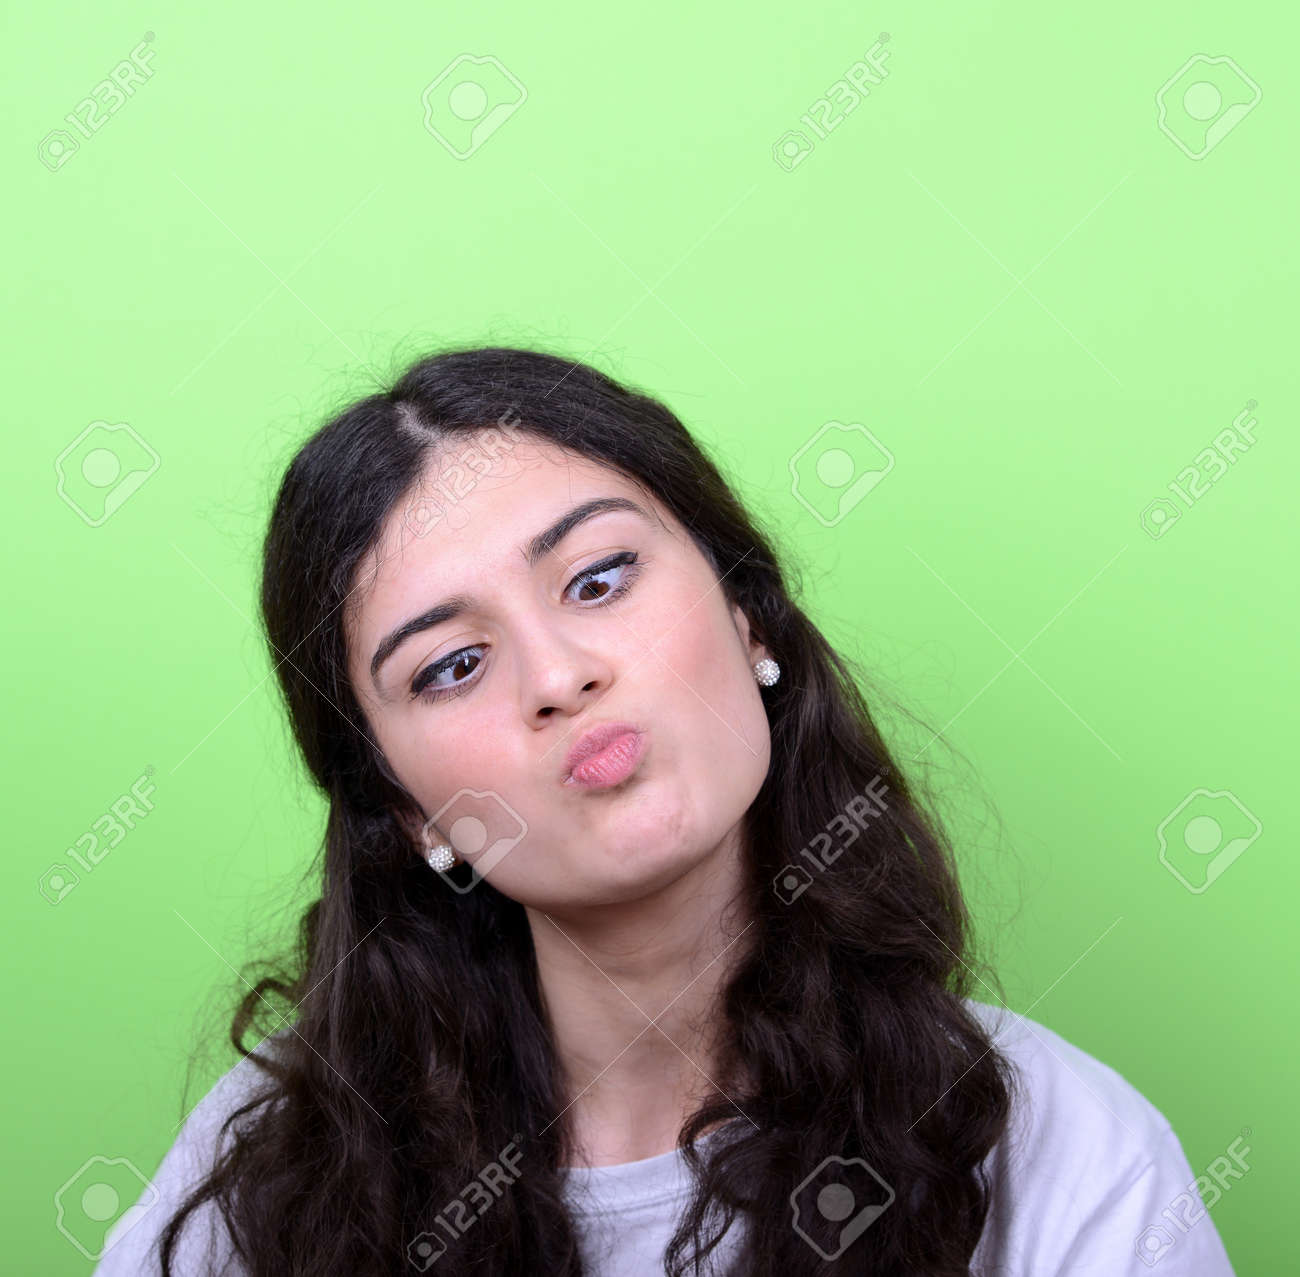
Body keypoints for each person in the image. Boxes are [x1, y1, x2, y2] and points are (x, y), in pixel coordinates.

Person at [93, 346, 1236, 1275]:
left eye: (596, 579)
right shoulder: (275, 1174)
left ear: (750, 621)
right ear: (405, 810)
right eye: (450, 665)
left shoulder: (1061, 1156)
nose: (557, 675)